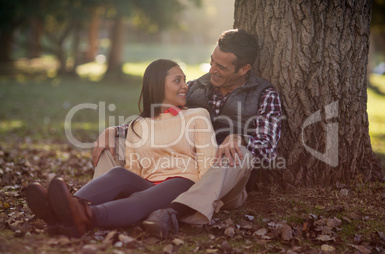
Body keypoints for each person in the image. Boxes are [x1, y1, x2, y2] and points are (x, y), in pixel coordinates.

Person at [93, 29, 282, 238]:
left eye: (221, 67)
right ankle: (96, 202)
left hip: (222, 183)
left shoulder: (264, 94)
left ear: (243, 69)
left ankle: (172, 212)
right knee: (115, 144)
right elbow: (156, 121)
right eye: (212, 62)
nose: (212, 70)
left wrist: (240, 138)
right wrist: (115, 131)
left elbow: (269, 148)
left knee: (238, 154)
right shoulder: (195, 87)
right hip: (184, 170)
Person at [25, 59, 217, 238]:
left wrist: (195, 201)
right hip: (149, 184)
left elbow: (208, 164)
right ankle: (65, 207)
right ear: (158, 85)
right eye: (178, 80)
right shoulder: (138, 125)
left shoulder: (197, 116)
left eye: (184, 80)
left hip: (183, 184)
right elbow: (134, 171)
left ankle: (86, 216)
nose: (185, 85)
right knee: (118, 173)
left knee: (141, 198)